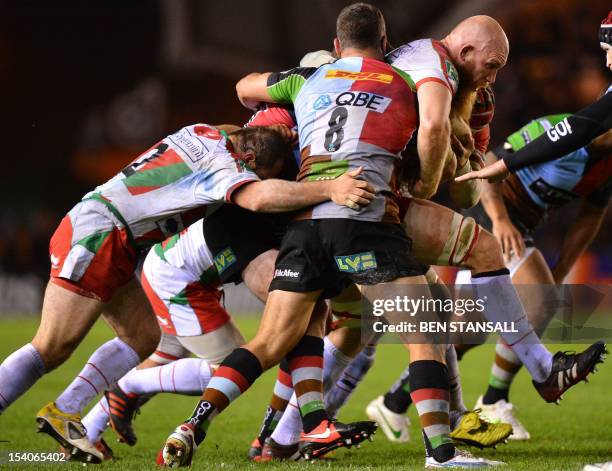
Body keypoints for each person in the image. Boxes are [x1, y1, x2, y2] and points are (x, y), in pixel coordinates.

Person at [161, 4, 482, 468]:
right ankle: (442, 454)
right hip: (364, 221)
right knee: (423, 328)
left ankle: (192, 425)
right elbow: (431, 143)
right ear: (386, 44)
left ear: (336, 45)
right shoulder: (406, 83)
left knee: (269, 343)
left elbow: (245, 88)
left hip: (305, 227)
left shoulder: (306, 79)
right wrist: (447, 158)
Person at [0, 123, 371, 463]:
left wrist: (272, 133)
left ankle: (66, 410)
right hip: (103, 234)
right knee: (52, 345)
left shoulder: (204, 131)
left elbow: (236, 131)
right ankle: (80, 405)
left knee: (142, 336)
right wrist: (329, 188)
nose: (252, 177)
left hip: (117, 236)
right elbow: (257, 199)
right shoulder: (223, 168)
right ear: (249, 159)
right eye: (257, 171)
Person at [81, 206, 285, 460]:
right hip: (178, 278)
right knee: (230, 366)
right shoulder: (279, 211)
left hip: (176, 267)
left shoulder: (266, 202)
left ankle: (87, 432)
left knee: (167, 357)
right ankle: (126, 387)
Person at [456, 12, 612, 184]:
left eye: (608, 50)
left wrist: (506, 165)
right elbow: (580, 127)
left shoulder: (601, 164)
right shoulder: (549, 126)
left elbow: (582, 127)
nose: (608, 62)